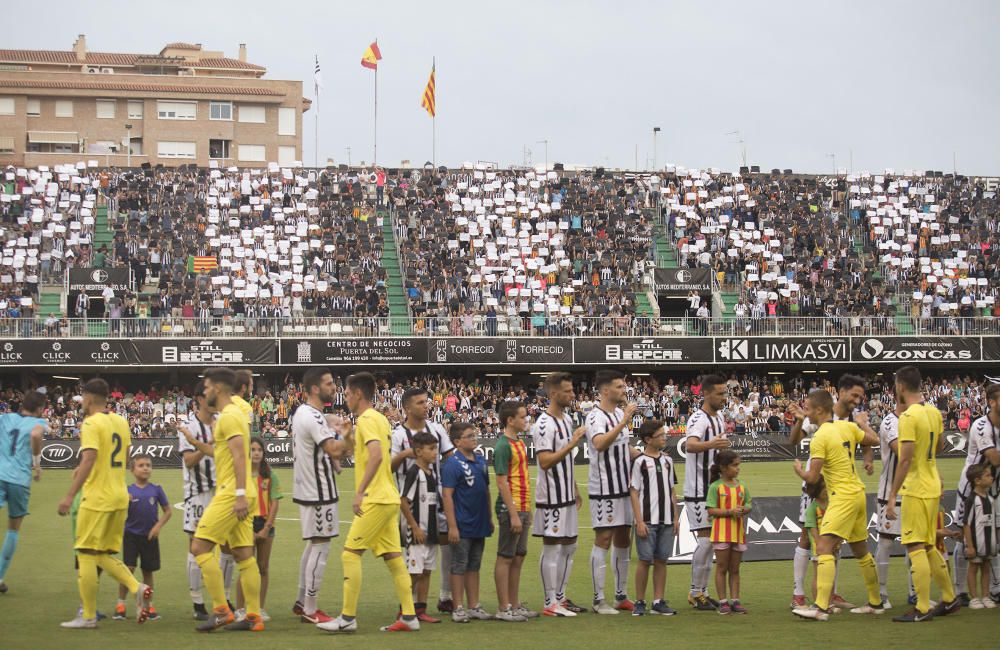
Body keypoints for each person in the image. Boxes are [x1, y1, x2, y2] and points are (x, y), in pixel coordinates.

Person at [317, 372, 420, 633]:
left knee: (350, 554)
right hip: (388, 497)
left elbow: (374, 456)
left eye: (348, 394)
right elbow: (358, 453)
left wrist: (360, 491)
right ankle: (409, 616)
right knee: (394, 558)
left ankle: (348, 618)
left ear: (358, 394)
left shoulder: (369, 419)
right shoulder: (376, 420)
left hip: (375, 498)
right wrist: (349, 437)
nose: (346, 398)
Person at [57, 378, 153, 629]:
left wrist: (69, 495)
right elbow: (127, 454)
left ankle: (88, 615)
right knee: (103, 554)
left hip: (97, 497)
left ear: (88, 398)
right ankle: (137, 587)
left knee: (86, 553)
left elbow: (89, 459)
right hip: (120, 495)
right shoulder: (121, 421)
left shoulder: (91, 423)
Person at [791, 388, 881, 621]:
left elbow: (812, 478)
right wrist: (863, 424)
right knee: (861, 550)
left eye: (808, 409)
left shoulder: (820, 436)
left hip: (841, 497)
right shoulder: (847, 427)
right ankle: (875, 602)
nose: (806, 413)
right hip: (859, 493)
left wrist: (800, 470)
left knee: (823, 549)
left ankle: (821, 608)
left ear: (819, 409)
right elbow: (874, 440)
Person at [189, 367, 264, 633]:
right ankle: (254, 616)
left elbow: (239, 456)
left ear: (217, 388)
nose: (205, 391)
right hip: (240, 491)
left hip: (233, 493)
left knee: (199, 547)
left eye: (207, 387)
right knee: (244, 555)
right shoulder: (232, 414)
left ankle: (221, 610)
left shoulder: (230, 415)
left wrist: (240, 495)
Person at [884, 366, 959, 622]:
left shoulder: (907, 417)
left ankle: (923, 608)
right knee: (929, 545)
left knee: (916, 545)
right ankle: (949, 598)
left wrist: (892, 495)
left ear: (901, 387)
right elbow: (939, 445)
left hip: (915, 489)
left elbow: (904, 460)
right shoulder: (933, 412)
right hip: (932, 485)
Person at [291, 368, 353, 624]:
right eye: (329, 383)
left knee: (314, 544)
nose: (334, 387)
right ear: (315, 388)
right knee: (321, 546)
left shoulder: (307, 414)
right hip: (318, 490)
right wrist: (349, 435)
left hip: (311, 487)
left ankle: (302, 600)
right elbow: (334, 449)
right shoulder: (312, 417)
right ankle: (310, 608)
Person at [389, 387, 454, 613]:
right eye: (420, 403)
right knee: (415, 558)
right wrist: (406, 454)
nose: (425, 406)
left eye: (426, 402)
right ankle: (407, 606)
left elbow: (450, 458)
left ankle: (434, 601)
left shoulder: (436, 430)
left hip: (437, 500)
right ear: (407, 407)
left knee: (435, 552)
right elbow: (388, 467)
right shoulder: (398, 435)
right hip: (411, 504)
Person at [532, 372, 588, 617]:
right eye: (568, 391)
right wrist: (572, 443)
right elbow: (544, 462)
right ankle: (549, 602)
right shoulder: (543, 424)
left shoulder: (565, 419)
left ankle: (561, 597)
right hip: (551, 496)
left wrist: (574, 487)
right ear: (553, 394)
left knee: (570, 546)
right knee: (552, 547)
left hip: (566, 493)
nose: (572, 395)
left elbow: (565, 461)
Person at [585, 370, 639, 614]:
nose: (623, 390)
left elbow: (620, 447)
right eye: (619, 387)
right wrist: (624, 421)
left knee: (623, 539)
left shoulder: (618, 413)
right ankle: (598, 600)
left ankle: (621, 595)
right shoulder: (595, 417)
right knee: (604, 538)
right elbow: (599, 444)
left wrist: (641, 454)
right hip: (604, 487)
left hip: (623, 486)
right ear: (605, 391)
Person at [684, 374, 730, 611]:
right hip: (698, 491)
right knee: (705, 541)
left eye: (725, 393)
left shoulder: (719, 418)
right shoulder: (698, 419)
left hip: (713, 490)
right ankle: (694, 592)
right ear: (706, 394)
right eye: (720, 393)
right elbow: (689, 445)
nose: (724, 398)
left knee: (711, 543)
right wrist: (712, 444)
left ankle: (703, 591)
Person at [951, 382, 1000, 604]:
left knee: (993, 538)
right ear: (992, 402)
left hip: (994, 490)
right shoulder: (981, 426)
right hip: (971, 489)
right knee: (964, 538)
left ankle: (993, 589)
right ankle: (960, 590)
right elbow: (994, 458)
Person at [441, 422, 494, 623]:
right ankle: (458, 607)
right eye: (469, 435)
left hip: (479, 522)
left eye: (474, 434)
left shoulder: (480, 461)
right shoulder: (452, 464)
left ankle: (474, 606)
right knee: (459, 564)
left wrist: (488, 517)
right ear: (456, 441)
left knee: (474, 565)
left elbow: (486, 491)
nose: (475, 438)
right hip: (462, 524)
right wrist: (452, 526)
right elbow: (447, 495)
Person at [177, 379, 219, 620]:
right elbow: (189, 461)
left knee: (226, 549)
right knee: (195, 548)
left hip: (221, 492)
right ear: (200, 399)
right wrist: (209, 442)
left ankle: (222, 599)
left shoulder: (221, 422)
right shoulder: (189, 427)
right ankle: (197, 603)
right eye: (210, 395)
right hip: (197, 494)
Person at [628, 420, 679, 616]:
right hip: (648, 520)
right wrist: (639, 521)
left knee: (661, 560)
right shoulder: (640, 462)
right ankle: (639, 601)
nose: (664, 438)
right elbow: (634, 491)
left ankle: (658, 600)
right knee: (644, 560)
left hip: (666, 520)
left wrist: (675, 517)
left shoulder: (667, 460)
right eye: (661, 435)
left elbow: (672, 490)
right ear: (648, 439)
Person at [493, 400, 537, 621]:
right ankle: (503, 607)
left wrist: (527, 509)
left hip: (522, 507)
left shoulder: (518, 442)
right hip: (511, 509)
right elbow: (502, 482)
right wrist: (512, 514)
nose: (525, 420)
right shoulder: (503, 446)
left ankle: (514, 603)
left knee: (518, 557)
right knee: (505, 557)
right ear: (510, 420)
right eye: (522, 416)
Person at [0, 390, 47, 594]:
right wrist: (37, 464)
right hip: (19, 479)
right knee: (13, 527)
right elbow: (36, 434)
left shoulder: (5, 418)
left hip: (0, 473)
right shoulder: (38, 423)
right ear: (39, 409)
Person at [115, 454, 171, 621]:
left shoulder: (156, 489)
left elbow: (168, 511)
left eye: (148, 465)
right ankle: (120, 604)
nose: (146, 468)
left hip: (150, 537)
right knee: (128, 570)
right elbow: (116, 509)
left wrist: (157, 526)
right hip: (131, 535)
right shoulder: (127, 490)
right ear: (132, 470)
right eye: (141, 465)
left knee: (148, 572)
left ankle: (148, 605)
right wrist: (123, 500)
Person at [233, 437, 282, 621]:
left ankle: (260, 608)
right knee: (246, 566)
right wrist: (249, 530)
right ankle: (239, 609)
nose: (256, 453)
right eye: (252, 449)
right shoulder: (242, 474)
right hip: (246, 523)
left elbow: (275, 502)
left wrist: (266, 528)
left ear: (263, 453)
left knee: (263, 567)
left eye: (259, 450)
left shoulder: (270, 475)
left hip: (265, 523)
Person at [399, 432, 443, 624]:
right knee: (414, 573)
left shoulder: (432, 473)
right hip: (417, 532)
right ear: (418, 451)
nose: (435, 453)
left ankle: (420, 609)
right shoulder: (414, 472)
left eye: (436, 448)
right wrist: (414, 526)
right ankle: (404, 610)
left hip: (431, 532)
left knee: (426, 571)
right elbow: (403, 501)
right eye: (431, 449)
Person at [706, 450, 751, 614]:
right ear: (723, 468)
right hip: (721, 533)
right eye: (735, 465)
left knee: (735, 569)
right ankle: (724, 602)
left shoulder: (742, 486)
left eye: (738, 465)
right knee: (722, 567)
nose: (738, 468)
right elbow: (710, 510)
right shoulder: (715, 487)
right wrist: (730, 512)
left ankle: (736, 600)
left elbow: (749, 504)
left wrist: (744, 509)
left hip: (738, 532)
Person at [874, 404, 903, 609]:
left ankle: (916, 593)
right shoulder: (890, 421)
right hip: (890, 490)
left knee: (917, 542)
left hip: (915, 489)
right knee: (886, 541)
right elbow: (902, 452)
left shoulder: (918, 417)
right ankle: (881, 593)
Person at [961, 464, 997, 610]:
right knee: (973, 567)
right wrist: (969, 545)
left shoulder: (990, 498)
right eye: (988, 475)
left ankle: (986, 596)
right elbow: (966, 524)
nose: (991, 477)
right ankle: (974, 598)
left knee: (986, 567)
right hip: (976, 542)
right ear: (977, 480)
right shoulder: (971, 500)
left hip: (989, 542)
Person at [803, 478, 829, 601]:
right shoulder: (812, 508)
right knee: (818, 576)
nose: (827, 490)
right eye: (824, 488)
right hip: (818, 548)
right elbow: (812, 527)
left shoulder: (832, 504)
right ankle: (817, 602)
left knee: (830, 576)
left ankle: (829, 603)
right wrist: (819, 543)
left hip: (832, 546)